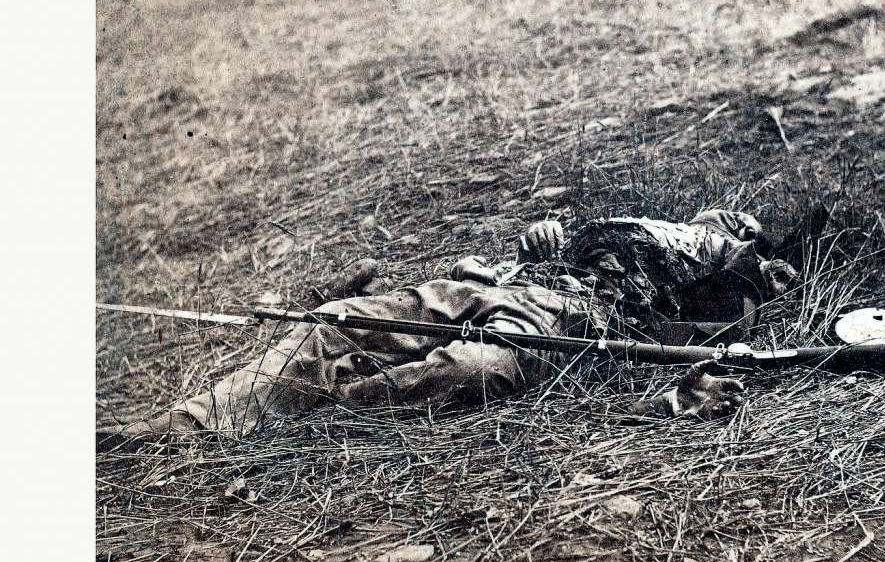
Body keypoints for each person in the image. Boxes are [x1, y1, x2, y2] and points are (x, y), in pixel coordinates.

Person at [120, 208, 804, 436]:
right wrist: (542, 238)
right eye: (726, 220)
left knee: (473, 369)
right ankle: (196, 422)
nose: (725, 222)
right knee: (338, 316)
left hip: (566, 324)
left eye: (738, 226)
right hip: (503, 286)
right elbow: (546, 245)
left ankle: (327, 402)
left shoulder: (714, 275)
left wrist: (757, 267)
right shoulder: (621, 225)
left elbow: (748, 290)